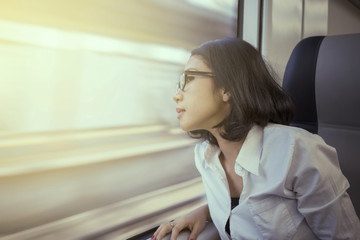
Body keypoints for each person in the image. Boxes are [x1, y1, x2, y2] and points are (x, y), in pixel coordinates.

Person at [152, 38, 360, 240]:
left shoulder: (299, 151)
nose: (176, 95)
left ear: (227, 89)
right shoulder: (205, 157)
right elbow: (242, 208)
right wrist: (203, 213)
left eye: (189, 78)